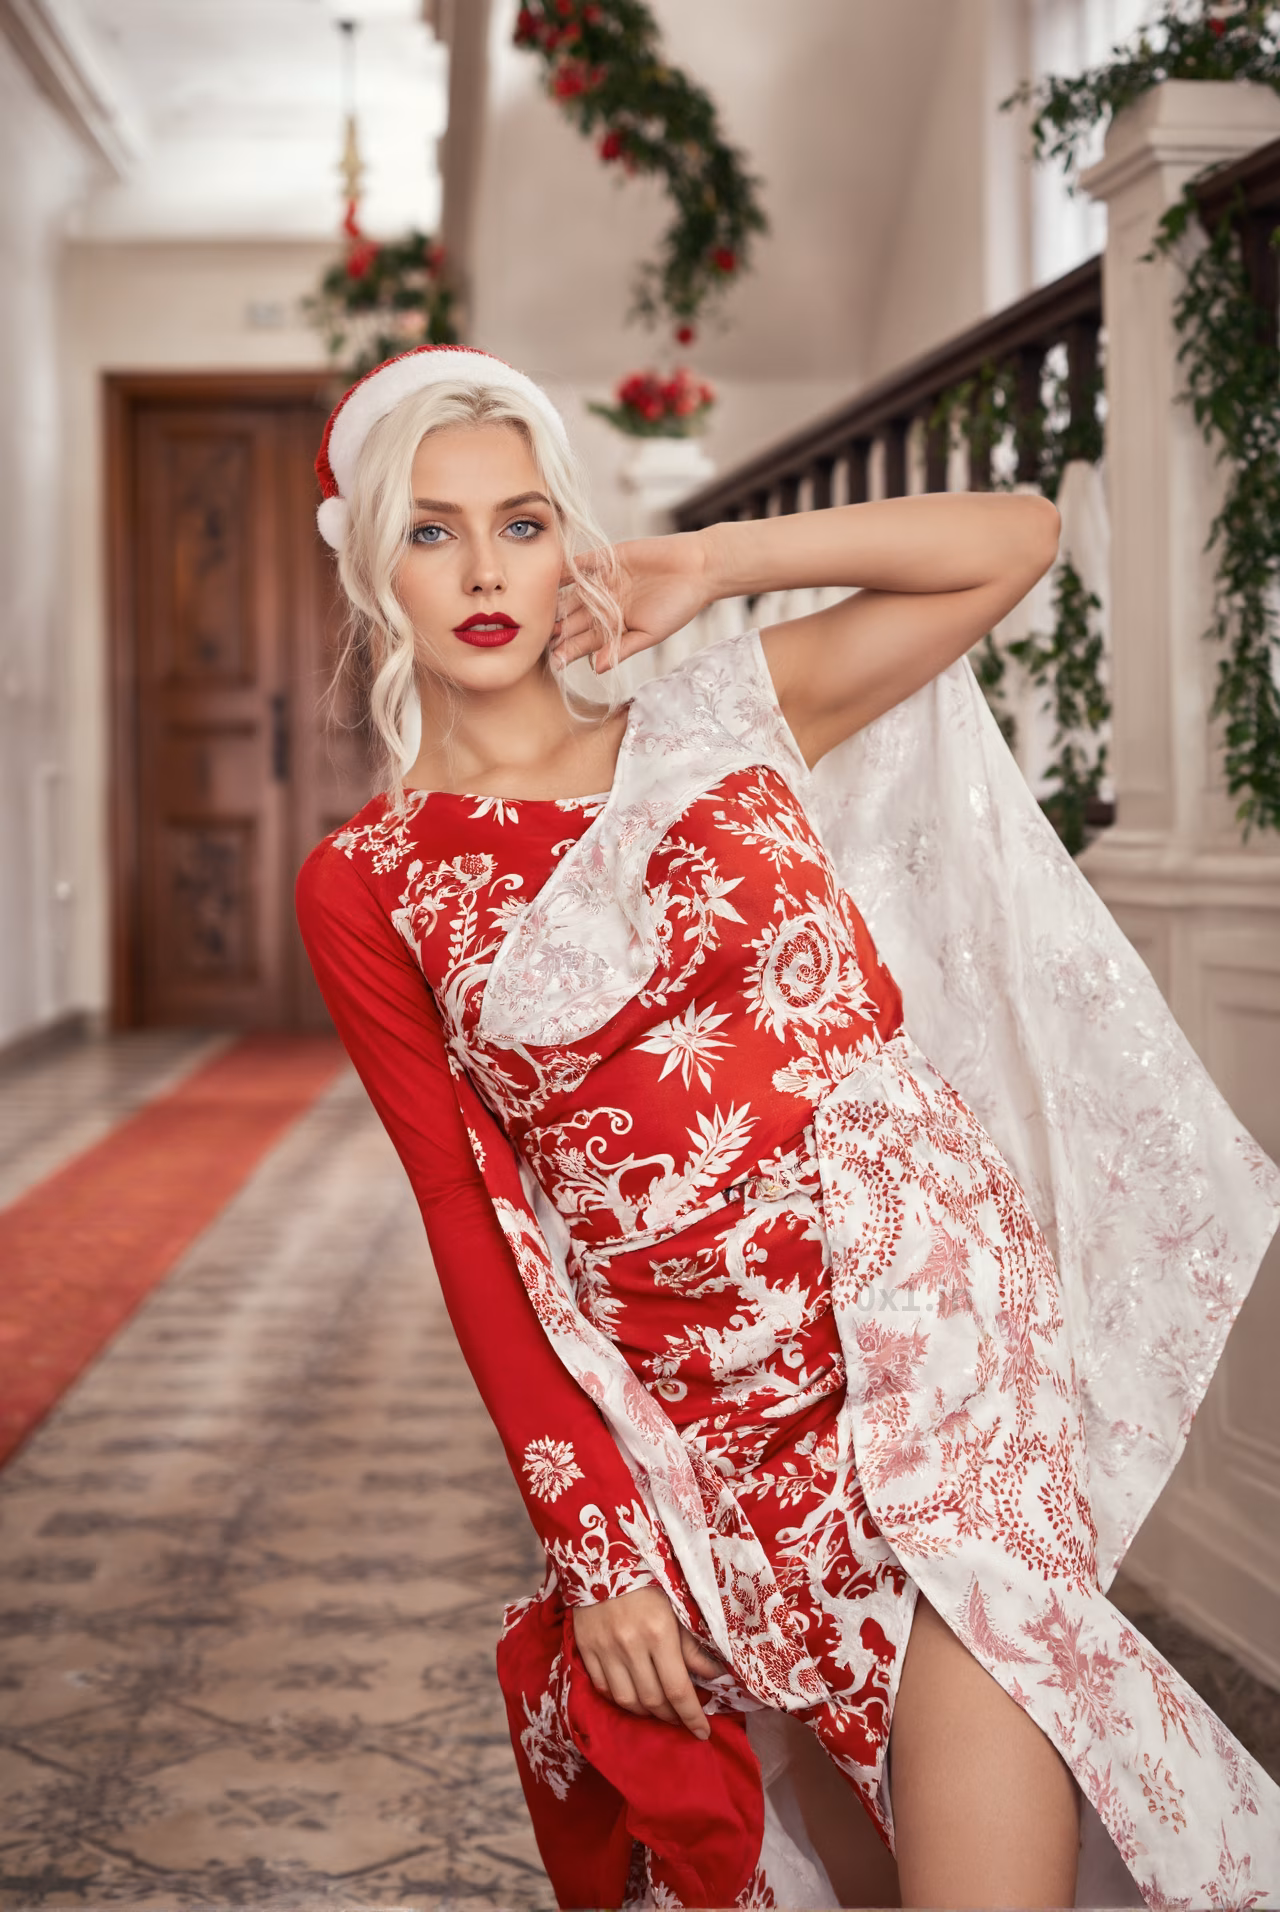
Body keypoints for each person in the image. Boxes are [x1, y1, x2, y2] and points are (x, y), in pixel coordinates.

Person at [296, 344, 1280, 1912]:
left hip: (933, 1314)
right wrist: (600, 1545)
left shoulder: (722, 714)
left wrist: (716, 562)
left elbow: (1013, 538)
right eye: (432, 531)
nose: (485, 569)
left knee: (991, 1754)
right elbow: (461, 1213)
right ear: (374, 569)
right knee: (877, 1852)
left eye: (525, 521)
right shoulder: (373, 879)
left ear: (576, 546)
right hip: (713, 1420)